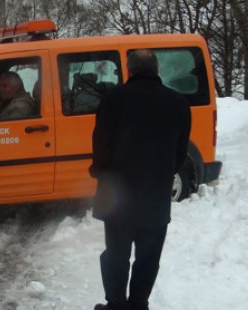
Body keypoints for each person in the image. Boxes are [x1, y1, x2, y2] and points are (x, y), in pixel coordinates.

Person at [90, 49, 191, 310]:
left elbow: (101, 144)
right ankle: (138, 304)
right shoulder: (178, 103)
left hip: (117, 196)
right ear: (157, 70)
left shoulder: (113, 99)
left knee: (116, 255)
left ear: (129, 70)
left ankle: (115, 304)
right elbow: (180, 152)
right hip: (155, 198)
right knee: (148, 257)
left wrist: (100, 172)